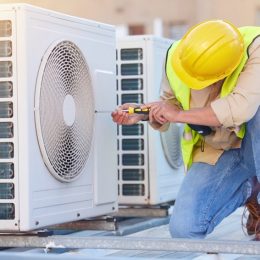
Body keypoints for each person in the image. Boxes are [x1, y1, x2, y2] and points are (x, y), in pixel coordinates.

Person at [112, 20, 260, 239]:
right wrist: (142, 113)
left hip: (254, 138)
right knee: (184, 230)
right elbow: (171, 103)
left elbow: (238, 110)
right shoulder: (177, 57)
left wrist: (178, 115)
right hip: (222, 148)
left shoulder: (254, 47)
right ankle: (251, 189)